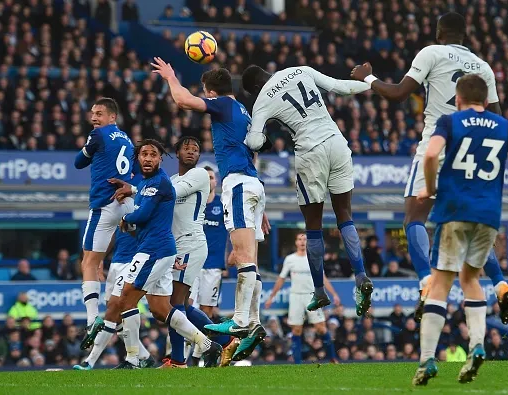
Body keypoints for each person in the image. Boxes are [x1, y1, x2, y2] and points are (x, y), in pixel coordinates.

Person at [350, 12, 508, 325]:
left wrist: (367, 79)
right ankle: (500, 283)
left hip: (437, 143)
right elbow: (498, 118)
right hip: (471, 152)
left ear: (439, 32)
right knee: (468, 227)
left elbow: (400, 93)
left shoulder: (431, 53)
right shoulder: (483, 67)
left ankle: (426, 283)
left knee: (414, 217)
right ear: (465, 35)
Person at [411, 74, 508, 385]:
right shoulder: (506, 126)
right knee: (471, 278)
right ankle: (477, 346)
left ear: (458, 99)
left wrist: (430, 188)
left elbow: (430, 154)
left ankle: (427, 360)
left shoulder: (450, 121)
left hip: (454, 210)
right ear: (485, 98)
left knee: (440, 283)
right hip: (488, 216)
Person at [150, 59, 267, 361]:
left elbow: (182, 100)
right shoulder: (242, 110)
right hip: (253, 182)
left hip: (239, 183)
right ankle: (252, 320)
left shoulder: (224, 106)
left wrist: (171, 76)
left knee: (242, 257)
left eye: (206, 91)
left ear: (211, 92)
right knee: (249, 257)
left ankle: (242, 322)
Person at [241, 64, 374, 318]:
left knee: (313, 224)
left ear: (255, 89)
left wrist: (263, 139)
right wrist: (372, 83)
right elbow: (342, 87)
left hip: (310, 152)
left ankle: (319, 291)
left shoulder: (263, 100)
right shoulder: (301, 70)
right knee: (344, 214)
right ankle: (361, 276)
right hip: (337, 143)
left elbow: (255, 141)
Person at [112, 139, 222, 369]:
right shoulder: (156, 182)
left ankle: (138, 358)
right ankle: (205, 344)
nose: (149, 158)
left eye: (153, 155)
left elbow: (146, 211)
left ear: (162, 158)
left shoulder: (185, 178)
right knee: (162, 308)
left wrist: (126, 218)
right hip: (166, 247)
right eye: (144, 154)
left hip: (165, 247)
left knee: (128, 298)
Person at [160, 136, 230, 368]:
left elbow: (170, 193)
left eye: (196, 149)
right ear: (177, 152)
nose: (191, 152)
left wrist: (141, 187)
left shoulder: (199, 175)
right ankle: (225, 340)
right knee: (182, 306)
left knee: (174, 304)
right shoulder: (170, 179)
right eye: (186, 148)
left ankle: (178, 360)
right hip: (176, 245)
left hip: (191, 243)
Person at [74, 97, 135, 350]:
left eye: (99, 113)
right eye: (92, 113)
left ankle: (91, 320)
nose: (94, 118)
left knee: (88, 261)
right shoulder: (128, 140)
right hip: (127, 204)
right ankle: (136, 351)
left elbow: (79, 162)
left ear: (112, 117)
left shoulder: (97, 136)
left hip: (103, 205)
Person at [73, 228, 155, 370]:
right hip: (116, 262)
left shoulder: (144, 206)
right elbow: (113, 234)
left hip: (133, 263)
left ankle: (90, 361)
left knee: (112, 312)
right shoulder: (120, 207)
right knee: (116, 318)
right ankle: (144, 356)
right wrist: (100, 259)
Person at [188, 166, 239, 366]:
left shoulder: (222, 204)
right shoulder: (195, 204)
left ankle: (204, 350)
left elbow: (233, 227)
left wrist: (234, 250)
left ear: (216, 182)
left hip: (214, 264)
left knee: (207, 311)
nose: (209, 181)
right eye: (205, 177)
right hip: (193, 263)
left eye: (211, 177)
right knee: (187, 307)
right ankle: (186, 355)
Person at [265, 233, 341, 364]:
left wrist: (334, 294)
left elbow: (322, 278)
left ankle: (333, 358)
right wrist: (271, 297)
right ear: (296, 242)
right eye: (299, 239)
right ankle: (298, 362)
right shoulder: (290, 259)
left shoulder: (315, 257)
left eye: (304, 239)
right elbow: (281, 279)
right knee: (296, 329)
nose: (302, 242)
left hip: (312, 296)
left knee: (321, 328)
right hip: (296, 296)